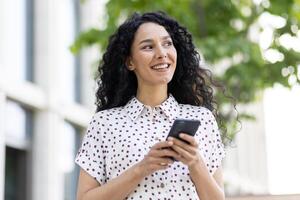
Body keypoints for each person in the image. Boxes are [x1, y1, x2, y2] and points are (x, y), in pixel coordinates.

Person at [75, 11, 226, 200]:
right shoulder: (104, 123)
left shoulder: (201, 119)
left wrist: (195, 163)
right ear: (130, 62)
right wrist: (142, 168)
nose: (162, 54)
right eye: (148, 47)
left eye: (167, 44)